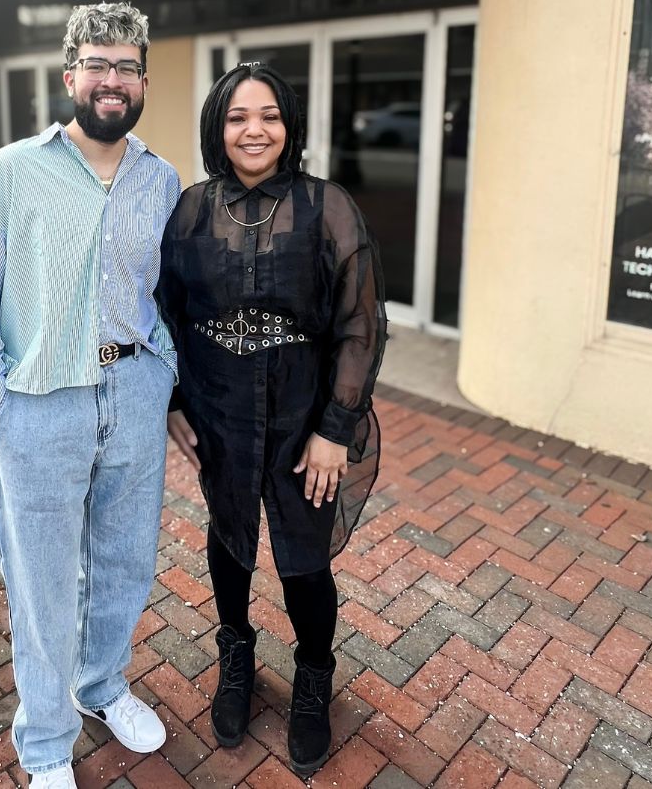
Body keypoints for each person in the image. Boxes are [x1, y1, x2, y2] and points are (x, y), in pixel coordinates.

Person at [0, 2, 180, 789]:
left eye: (127, 67)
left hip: (135, 392)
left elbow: (167, 289)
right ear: (70, 75)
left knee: (124, 560)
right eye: (98, 64)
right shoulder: (11, 172)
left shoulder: (161, 179)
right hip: (41, 404)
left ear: (143, 80)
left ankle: (101, 686)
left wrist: (164, 370)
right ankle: (46, 742)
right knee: (40, 582)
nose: (113, 80)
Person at [159, 62, 387, 777]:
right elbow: (166, 312)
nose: (253, 130)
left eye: (268, 116)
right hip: (220, 413)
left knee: (304, 562)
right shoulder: (192, 210)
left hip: (303, 420)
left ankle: (314, 675)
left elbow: (360, 325)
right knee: (229, 541)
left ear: (289, 126)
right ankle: (236, 655)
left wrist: (335, 429)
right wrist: (173, 401)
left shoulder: (327, 206)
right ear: (217, 129)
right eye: (236, 117)